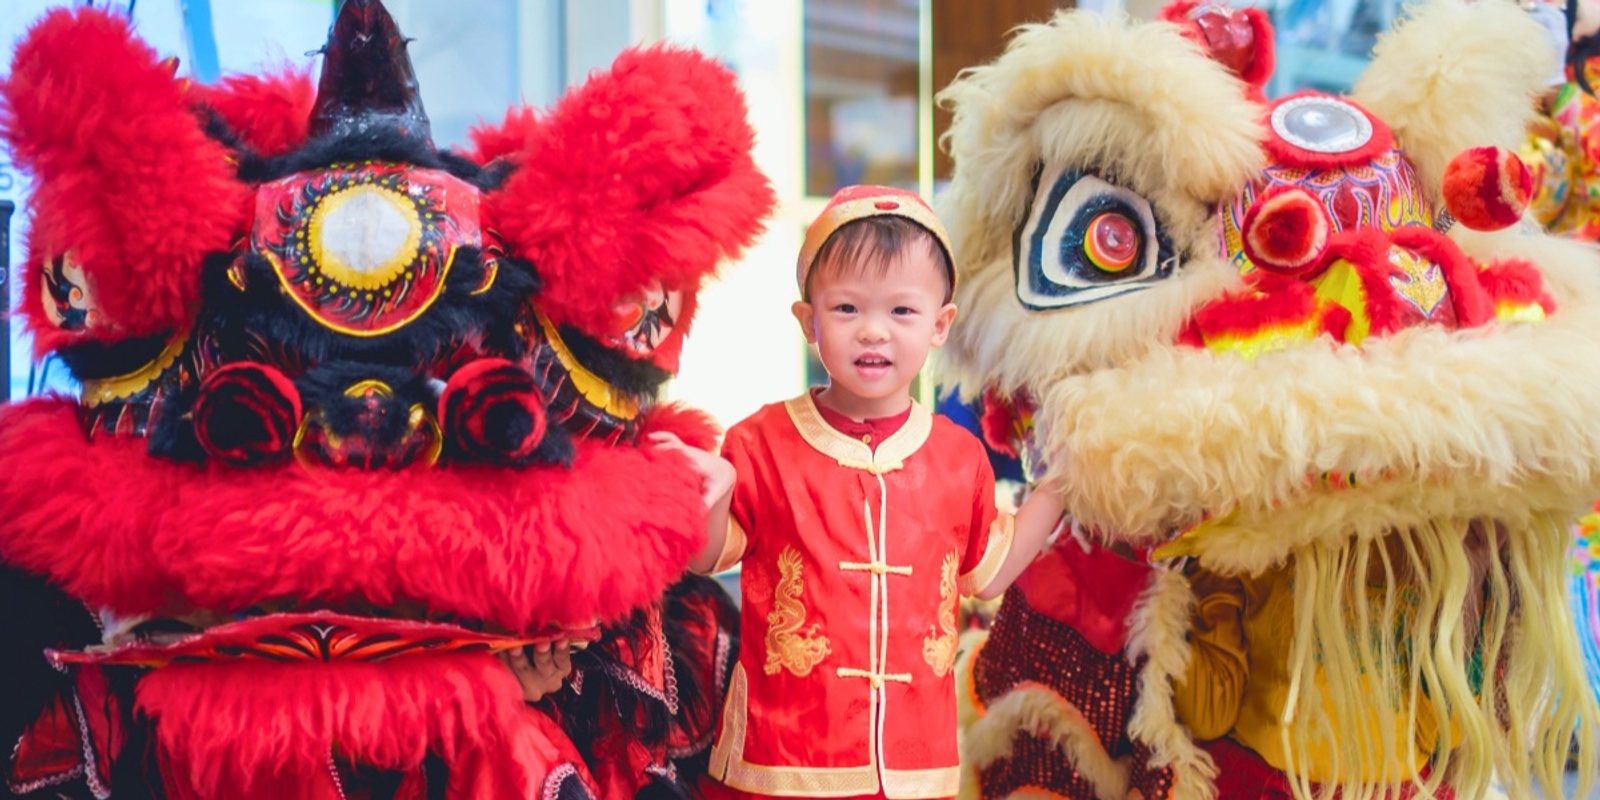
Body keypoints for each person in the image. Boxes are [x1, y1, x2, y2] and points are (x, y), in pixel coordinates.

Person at [652, 185, 1065, 800]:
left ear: (939, 325)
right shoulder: (760, 439)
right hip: (777, 764)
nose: (874, 332)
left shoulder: (958, 457)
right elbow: (706, 557)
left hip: (914, 770)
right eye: (847, 309)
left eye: (902, 312)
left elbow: (990, 570)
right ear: (808, 320)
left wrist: (1061, 484)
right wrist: (706, 498)